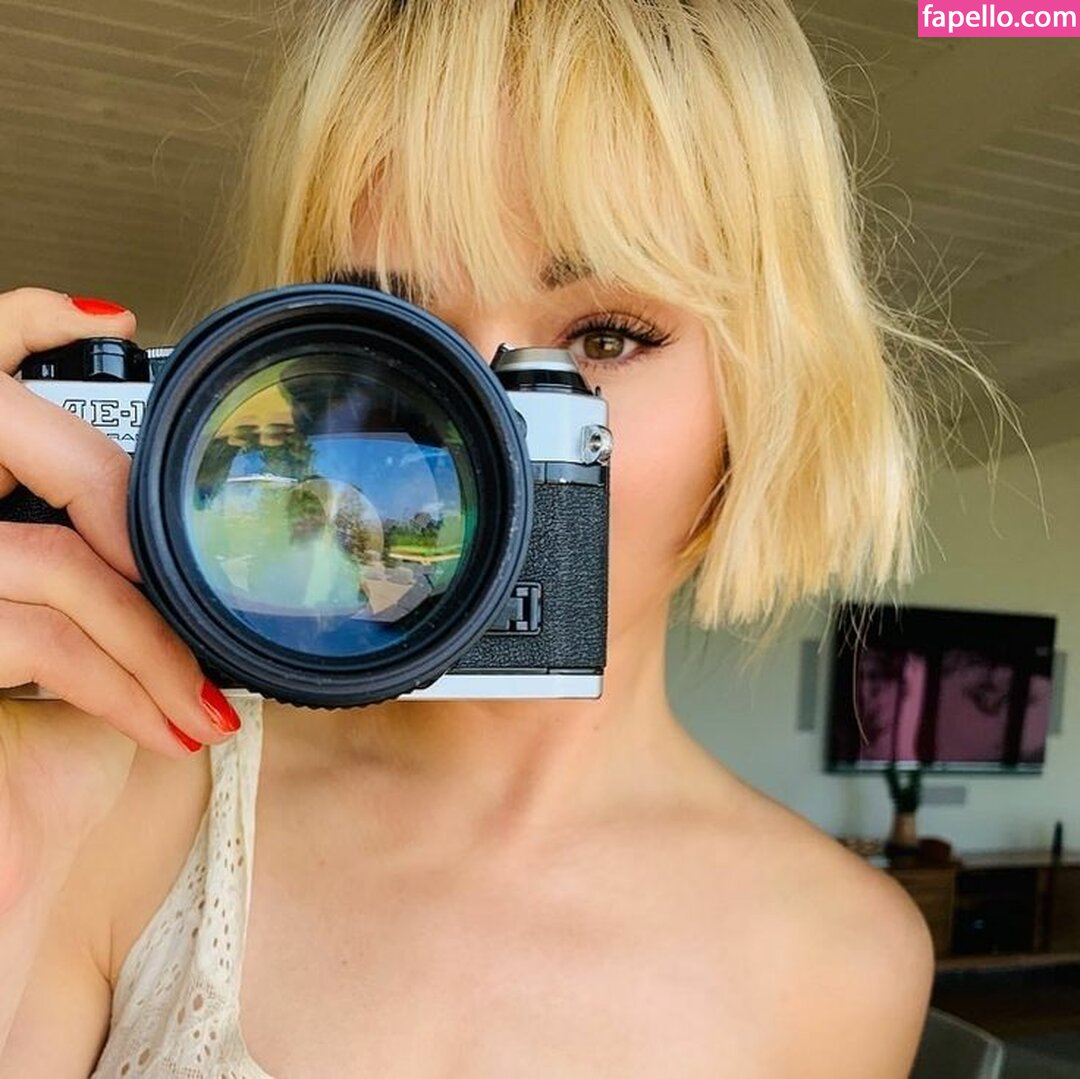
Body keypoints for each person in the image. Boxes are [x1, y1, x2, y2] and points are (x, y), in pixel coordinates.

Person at [0, 0, 972, 1074]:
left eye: (602, 338)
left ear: (765, 390)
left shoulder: (846, 960)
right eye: (391, 331)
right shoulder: (111, 795)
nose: (459, 435)